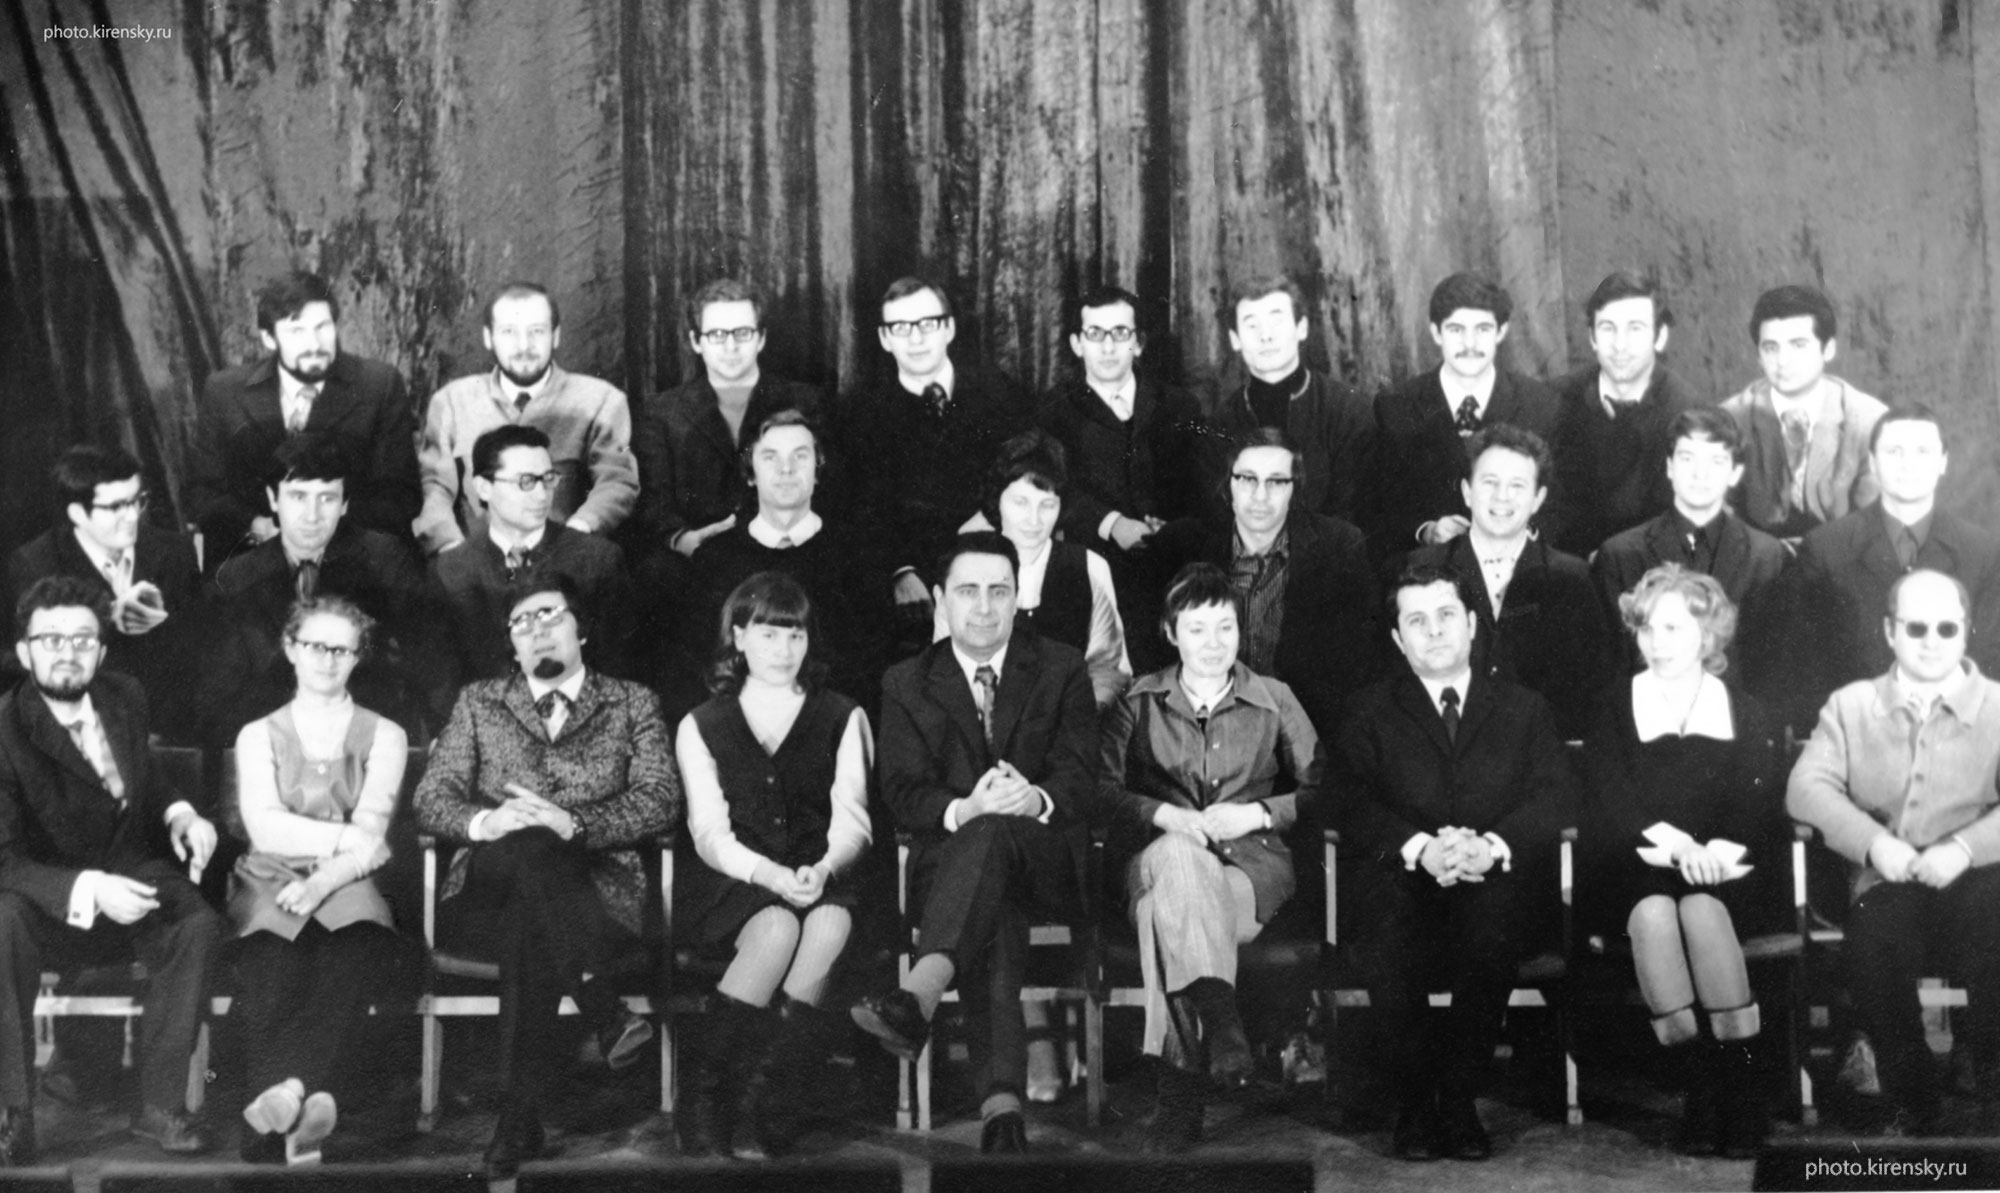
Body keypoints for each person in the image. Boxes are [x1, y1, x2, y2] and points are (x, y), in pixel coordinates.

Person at [412, 574, 679, 1179]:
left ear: (581, 629)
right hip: (487, 889)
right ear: (511, 644)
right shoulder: (479, 701)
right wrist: (487, 821)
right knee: (527, 848)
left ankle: (517, 1117)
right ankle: (601, 1006)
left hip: (599, 896)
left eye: (550, 615)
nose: (537, 631)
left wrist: (573, 823)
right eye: (522, 623)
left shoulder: (631, 702)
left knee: (530, 920)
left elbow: (660, 799)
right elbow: (432, 799)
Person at [849, 532, 1097, 1154]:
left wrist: (1033, 799)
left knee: (994, 847)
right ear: (940, 599)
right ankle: (1002, 1106)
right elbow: (902, 790)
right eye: (967, 591)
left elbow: (1080, 775)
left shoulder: (1062, 666)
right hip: (950, 870)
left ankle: (920, 992)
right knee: (993, 903)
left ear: (1018, 597)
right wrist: (967, 809)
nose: (984, 607)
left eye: (998, 591)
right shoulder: (906, 681)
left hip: (1043, 860)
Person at [1332, 562, 1573, 1161]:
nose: (1434, 630)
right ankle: (1417, 1104)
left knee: (1492, 928)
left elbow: (1557, 797)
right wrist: (1421, 848)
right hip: (1401, 882)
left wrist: (1490, 847)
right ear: (1398, 639)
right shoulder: (1367, 709)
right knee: (1387, 932)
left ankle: (1461, 1100)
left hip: (1494, 882)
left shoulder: (1524, 708)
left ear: (1471, 623)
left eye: (1445, 615)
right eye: (1417, 621)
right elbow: (1346, 802)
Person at [0, 577, 224, 1163]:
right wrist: (90, 889)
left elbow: (142, 772)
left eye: (82, 639)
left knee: (196, 924)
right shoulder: (3, 732)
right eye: (51, 640)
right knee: (1, 922)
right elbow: (4, 860)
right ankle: (12, 1112)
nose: (67, 653)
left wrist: (179, 812)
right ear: (23, 651)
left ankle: (160, 1106)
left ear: (101, 651)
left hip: (129, 870)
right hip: (46, 899)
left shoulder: (124, 696)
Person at [1099, 562, 1322, 1152]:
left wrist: (1259, 814)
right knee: (1178, 856)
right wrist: (1163, 816)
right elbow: (1097, 790)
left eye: (1225, 627)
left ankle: (1180, 1093)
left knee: (1164, 916)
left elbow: (1324, 788)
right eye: (1197, 629)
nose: (1214, 642)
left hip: (1249, 870)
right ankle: (1224, 1022)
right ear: (1171, 633)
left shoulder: (1274, 699)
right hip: (1154, 859)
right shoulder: (1138, 700)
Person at [1579, 566, 1783, 1157]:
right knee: (1654, 914)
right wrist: (1679, 848)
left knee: (1700, 910)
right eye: (1646, 628)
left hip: (1726, 869)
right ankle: (1699, 1083)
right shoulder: (1614, 705)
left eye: (1673, 628)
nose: (1657, 641)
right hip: (1635, 862)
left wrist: (1713, 854)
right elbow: (1612, 800)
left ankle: (1738, 1081)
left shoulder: (1744, 709)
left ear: (1707, 634)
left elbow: (1756, 800)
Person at [1788, 569, 2000, 1132]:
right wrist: (1873, 842)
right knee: (1873, 943)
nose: (1932, 641)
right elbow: (1805, 788)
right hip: (1889, 883)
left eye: (1947, 627)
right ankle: (1914, 1102)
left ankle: (1995, 1097)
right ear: (1889, 632)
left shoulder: (1999, 706)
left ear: (1966, 631)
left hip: (1983, 883)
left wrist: (1965, 847)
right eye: (1915, 627)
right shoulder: (1851, 705)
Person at [675, 573, 872, 1159]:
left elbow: (854, 820)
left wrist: (825, 868)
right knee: (778, 928)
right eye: (767, 634)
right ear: (738, 637)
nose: (783, 651)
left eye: (795, 636)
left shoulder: (842, 715)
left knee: (828, 925)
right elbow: (709, 833)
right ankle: (704, 1099)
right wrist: (769, 875)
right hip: (735, 881)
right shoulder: (701, 724)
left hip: (823, 875)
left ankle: (770, 1096)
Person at [228, 596, 414, 1164]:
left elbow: (373, 837)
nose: (328, 660)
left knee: (353, 948)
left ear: (358, 657)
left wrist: (322, 880)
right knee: (272, 960)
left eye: (342, 650)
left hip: (349, 878)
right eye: (315, 646)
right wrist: (348, 838)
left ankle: (285, 1097)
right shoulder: (258, 734)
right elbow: (266, 829)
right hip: (270, 872)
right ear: (290, 649)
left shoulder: (386, 734)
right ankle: (297, 1110)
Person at [202, 436, 439, 745]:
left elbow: (430, 657)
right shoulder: (234, 579)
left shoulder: (385, 561)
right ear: (273, 499)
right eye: (298, 496)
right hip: (271, 741)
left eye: (327, 498)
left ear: (345, 505)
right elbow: (218, 696)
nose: (312, 515)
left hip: (365, 737)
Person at [1148, 429, 1377, 736]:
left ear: (1295, 488)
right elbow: (1154, 652)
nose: (1260, 495)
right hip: (1198, 727)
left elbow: (1352, 662)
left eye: (1276, 481)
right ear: (1229, 484)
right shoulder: (1181, 544)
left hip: (1303, 728)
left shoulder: (1339, 547)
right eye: (1247, 479)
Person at [841, 277, 1032, 643]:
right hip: (910, 586)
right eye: (901, 327)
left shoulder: (1000, 394)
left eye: (928, 324)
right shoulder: (860, 412)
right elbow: (858, 508)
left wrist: (992, 514)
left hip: (993, 559)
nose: (916, 339)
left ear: (949, 328)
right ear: (884, 338)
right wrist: (899, 570)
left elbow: (1029, 470)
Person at [1789, 405, 2000, 729]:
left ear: (1943, 462)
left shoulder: (1984, 553)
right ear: (1873, 462)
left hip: (1957, 733)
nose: (1908, 464)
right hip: (1856, 731)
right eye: (1894, 451)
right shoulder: (1825, 548)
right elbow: (1804, 667)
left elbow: (1990, 662)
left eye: (1922, 451)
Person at [191, 271, 419, 560]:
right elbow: (204, 494)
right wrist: (259, 529)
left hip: (352, 559)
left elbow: (400, 495)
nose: (314, 344)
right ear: (269, 338)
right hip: (253, 558)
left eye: (323, 327)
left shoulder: (379, 385)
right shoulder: (224, 391)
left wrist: (320, 534)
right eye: (297, 331)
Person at [1035, 285, 1205, 662]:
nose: (1108, 347)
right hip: (1095, 574)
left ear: (1138, 343)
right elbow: (1051, 488)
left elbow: (1200, 488)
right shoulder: (1054, 410)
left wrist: (1171, 529)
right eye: (1096, 334)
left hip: (1172, 570)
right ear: (1077, 344)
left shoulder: (1179, 406)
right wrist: (1113, 524)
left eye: (1120, 333)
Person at [1410, 424, 1610, 740]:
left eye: (1517, 485)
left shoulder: (1573, 579)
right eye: (1490, 482)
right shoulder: (1420, 570)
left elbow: (1590, 694)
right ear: (1466, 492)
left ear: (1538, 498)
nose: (1502, 497)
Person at [414, 281, 638, 555]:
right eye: (509, 332)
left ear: (556, 336)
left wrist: (575, 535)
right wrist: (453, 551)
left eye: (537, 331)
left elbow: (617, 482)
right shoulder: (451, 401)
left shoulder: (601, 400)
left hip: (567, 559)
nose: (524, 346)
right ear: (488, 337)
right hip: (476, 562)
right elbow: (434, 488)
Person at [690, 409, 887, 713]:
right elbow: (699, 665)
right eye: (770, 457)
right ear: (750, 473)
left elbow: (870, 669)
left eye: (800, 456)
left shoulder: (858, 555)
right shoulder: (714, 559)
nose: (786, 469)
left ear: (817, 471)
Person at [3, 445, 200, 741]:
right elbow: (27, 663)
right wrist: (107, 616)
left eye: (137, 501)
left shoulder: (176, 551)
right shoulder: (36, 564)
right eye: (116, 507)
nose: (132, 516)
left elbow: (200, 648)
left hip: (174, 726)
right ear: (77, 513)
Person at [1361, 272, 1559, 563]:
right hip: (1430, 570)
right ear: (1436, 332)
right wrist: (1426, 531)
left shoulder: (1540, 403)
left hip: (1517, 568)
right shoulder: (1397, 406)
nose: (1469, 343)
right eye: (1456, 330)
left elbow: (1559, 503)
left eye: (1482, 329)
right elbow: (1378, 507)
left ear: (1501, 332)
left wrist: (1521, 531)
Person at [1593, 408, 1791, 689]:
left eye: (1716, 461)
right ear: (1669, 467)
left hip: (1737, 710)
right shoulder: (1620, 554)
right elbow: (1613, 665)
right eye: (1687, 458)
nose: (1700, 474)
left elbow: (1775, 665)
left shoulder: (1767, 556)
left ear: (1735, 473)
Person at [633, 277, 825, 560]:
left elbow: (828, 487)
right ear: (696, 342)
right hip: (698, 559)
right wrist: (683, 540)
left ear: (761, 338)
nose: (731, 346)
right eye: (717, 335)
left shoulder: (808, 402)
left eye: (743, 333)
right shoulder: (660, 413)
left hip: (791, 552)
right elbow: (653, 502)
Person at [428, 424, 636, 682]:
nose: (541, 496)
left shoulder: (597, 560)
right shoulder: (449, 571)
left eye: (547, 479)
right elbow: (441, 682)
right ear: (483, 487)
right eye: (525, 482)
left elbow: (620, 672)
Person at [940, 431, 1132, 708]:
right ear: (997, 500)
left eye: (1047, 505)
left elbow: (1109, 670)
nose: (1034, 520)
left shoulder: (1090, 567)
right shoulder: (963, 567)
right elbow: (946, 670)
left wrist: (1069, 717)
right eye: (1020, 502)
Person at [1543, 271, 1702, 556]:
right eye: (1608, 328)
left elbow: (1685, 521)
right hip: (1566, 564)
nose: (1619, 345)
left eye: (1635, 328)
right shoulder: (1554, 400)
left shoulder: (1688, 412)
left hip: (1650, 567)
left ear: (1660, 337)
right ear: (1592, 338)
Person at [1720, 285, 1885, 542]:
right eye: (1771, 348)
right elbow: (1720, 513)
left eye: (1798, 345)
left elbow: (1873, 522)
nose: (1782, 361)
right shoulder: (1730, 418)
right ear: (1759, 356)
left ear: (1828, 349)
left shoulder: (1869, 420)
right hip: (1755, 557)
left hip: (1842, 556)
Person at [1207, 275, 1373, 524]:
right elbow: (1219, 520)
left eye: (1276, 321)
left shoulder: (1349, 411)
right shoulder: (1220, 424)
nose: (1266, 336)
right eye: (1252, 325)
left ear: (1301, 328)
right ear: (1235, 339)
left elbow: (1355, 514)